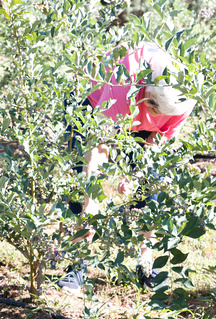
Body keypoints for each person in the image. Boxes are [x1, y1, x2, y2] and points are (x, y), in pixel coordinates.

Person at [58, 41, 197, 293]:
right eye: (154, 108)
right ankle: (76, 266)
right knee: (82, 190)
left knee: (150, 191)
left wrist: (138, 174)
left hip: (138, 121)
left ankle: (145, 267)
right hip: (95, 107)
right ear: (148, 90)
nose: (156, 115)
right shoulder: (124, 85)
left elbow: (156, 143)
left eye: (161, 113)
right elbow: (97, 149)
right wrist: (92, 192)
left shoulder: (185, 99)